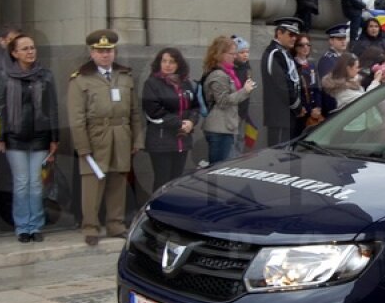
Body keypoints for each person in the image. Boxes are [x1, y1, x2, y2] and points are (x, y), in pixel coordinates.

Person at [67, 29, 144, 246]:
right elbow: (76, 118)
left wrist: (137, 140)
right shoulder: (80, 79)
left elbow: (134, 112)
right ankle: (90, 226)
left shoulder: (125, 76)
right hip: (96, 135)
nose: (105, 55)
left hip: (121, 134)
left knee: (118, 182)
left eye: (108, 51)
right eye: (100, 51)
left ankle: (115, 224)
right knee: (92, 185)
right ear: (92, 53)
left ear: (114, 52)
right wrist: (83, 147)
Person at [0, 33, 60, 242]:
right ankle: (23, 226)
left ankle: (36, 226)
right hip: (15, 138)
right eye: (25, 49)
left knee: (36, 183)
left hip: (40, 137)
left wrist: (54, 138)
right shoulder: (5, 75)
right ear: (14, 53)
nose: (30, 52)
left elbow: (53, 108)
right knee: (21, 183)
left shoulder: (45, 75)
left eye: (32, 47)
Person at [142, 47, 201, 192]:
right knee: (162, 180)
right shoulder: (152, 84)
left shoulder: (186, 83)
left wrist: (191, 122)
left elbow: (195, 107)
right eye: (164, 61)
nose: (167, 65)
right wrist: (180, 123)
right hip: (161, 141)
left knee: (176, 181)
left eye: (172, 62)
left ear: (178, 64)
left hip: (182, 140)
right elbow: (153, 111)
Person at [201, 35, 257, 163]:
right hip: (219, 128)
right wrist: (245, 90)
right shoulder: (218, 75)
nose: (235, 56)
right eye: (232, 53)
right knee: (220, 167)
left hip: (226, 126)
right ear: (220, 55)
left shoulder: (227, 72)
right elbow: (223, 101)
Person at [260, 16, 304, 145]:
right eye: (291, 34)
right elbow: (282, 85)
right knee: (278, 153)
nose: (294, 38)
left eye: (296, 35)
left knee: (286, 152)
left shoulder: (284, 52)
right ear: (279, 33)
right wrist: (297, 106)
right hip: (279, 114)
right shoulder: (274, 53)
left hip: (287, 114)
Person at [291, 33, 322, 134]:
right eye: (301, 45)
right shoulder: (293, 65)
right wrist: (309, 110)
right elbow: (295, 91)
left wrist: (318, 107)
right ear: (295, 47)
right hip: (301, 111)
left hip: (314, 110)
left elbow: (316, 88)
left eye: (308, 45)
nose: (305, 47)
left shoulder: (311, 65)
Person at [316, 24, 349, 116]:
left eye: (344, 38)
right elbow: (329, 85)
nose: (343, 42)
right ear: (331, 41)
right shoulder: (327, 59)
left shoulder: (344, 57)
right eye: (339, 39)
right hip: (334, 104)